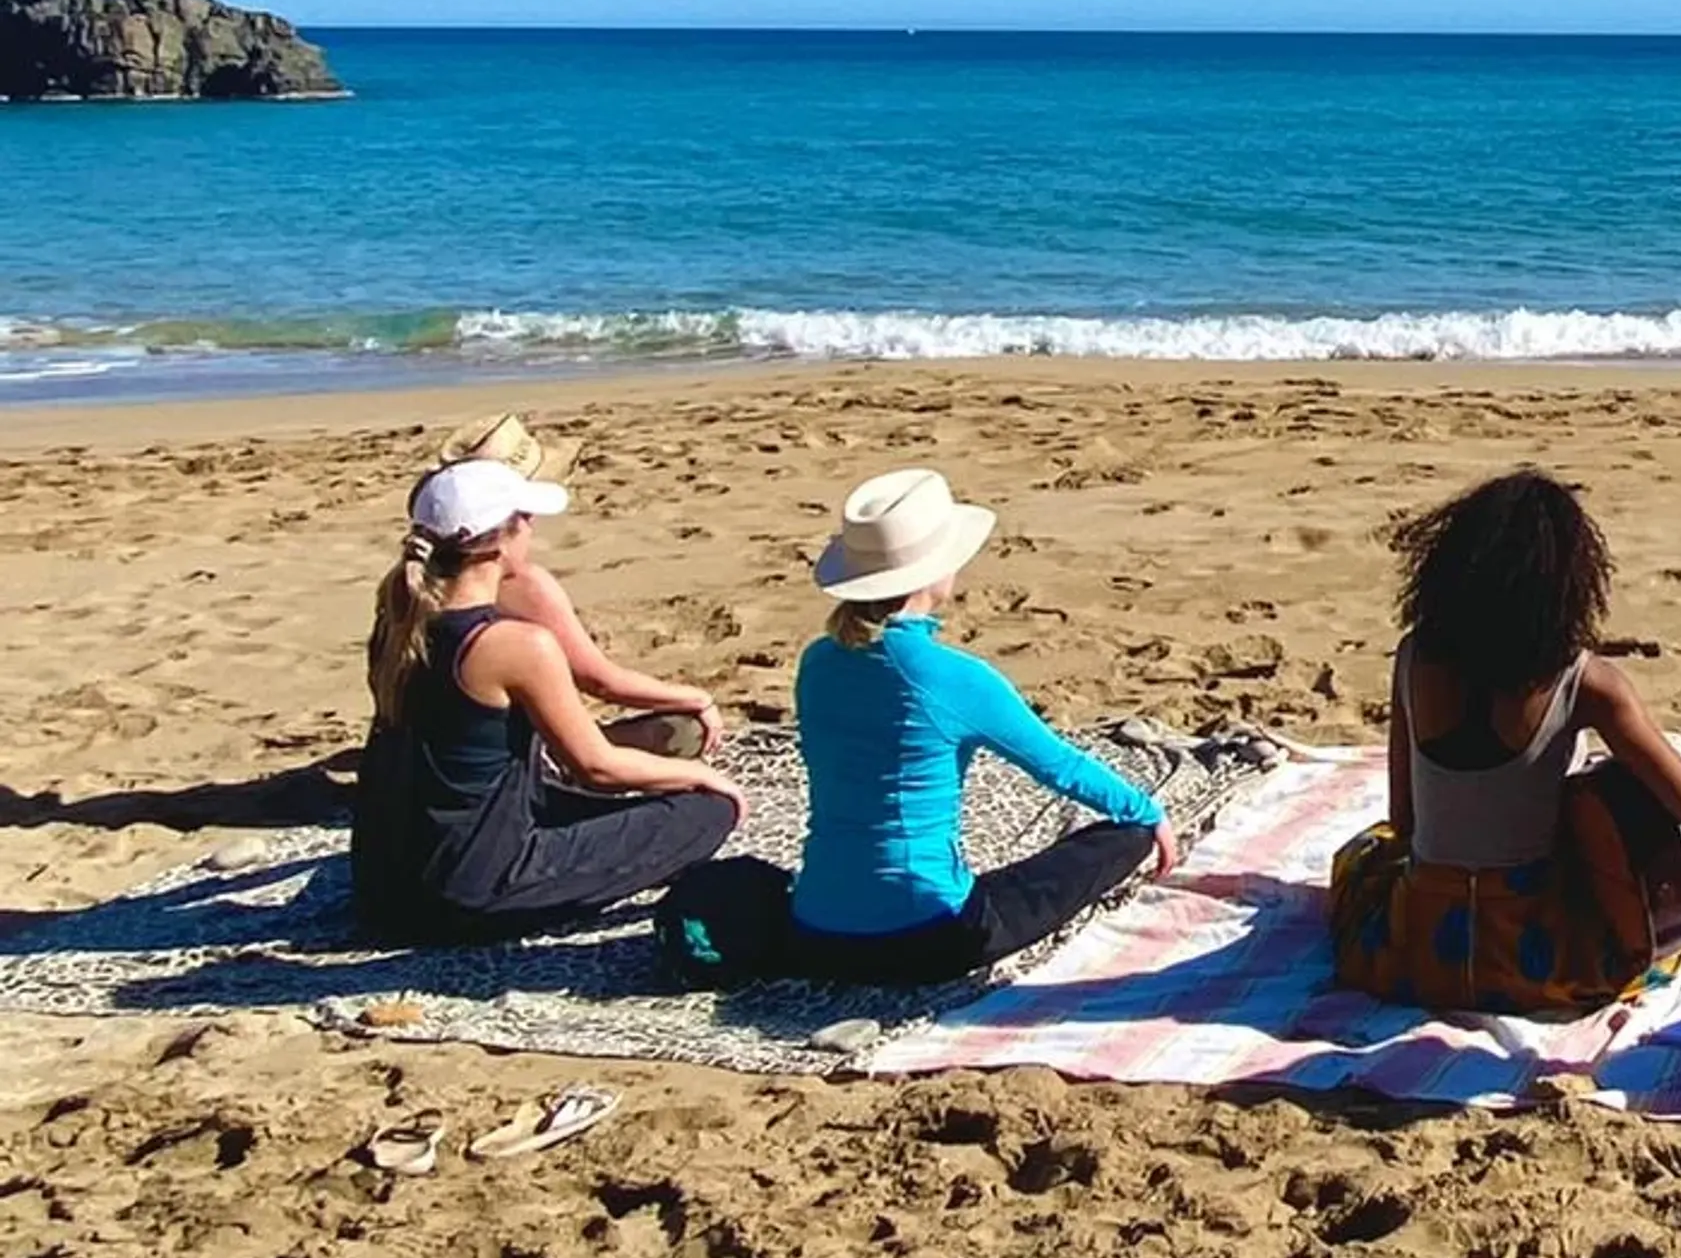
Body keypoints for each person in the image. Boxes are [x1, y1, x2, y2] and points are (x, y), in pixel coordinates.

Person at [1328, 470, 1681, 1015]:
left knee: (1364, 852)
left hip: (1416, 953)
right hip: (1537, 959)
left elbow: (1403, 820)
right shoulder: (1587, 681)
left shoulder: (1414, 657)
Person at [778, 468, 1174, 983]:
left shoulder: (817, 661)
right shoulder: (952, 677)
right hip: (926, 936)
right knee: (1124, 837)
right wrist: (1147, 812)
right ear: (933, 573)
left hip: (814, 933)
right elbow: (1059, 766)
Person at [351, 456, 744, 943]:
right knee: (706, 812)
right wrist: (703, 777)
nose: (532, 527)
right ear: (498, 543)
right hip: (468, 893)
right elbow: (597, 768)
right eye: (524, 518)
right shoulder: (512, 645)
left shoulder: (398, 617)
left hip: (381, 883)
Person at [428, 415, 723, 758]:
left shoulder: (415, 578)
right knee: (686, 730)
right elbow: (600, 681)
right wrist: (699, 698)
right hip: (506, 758)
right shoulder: (521, 585)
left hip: (436, 751)